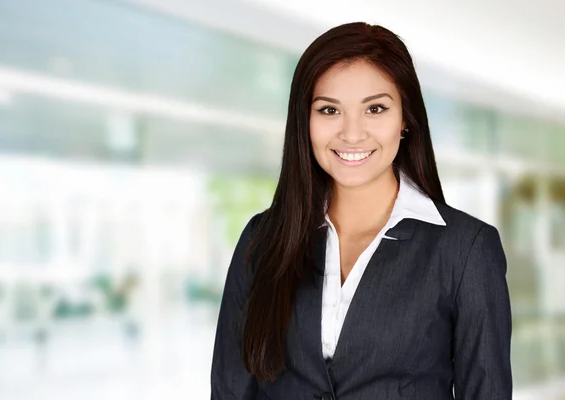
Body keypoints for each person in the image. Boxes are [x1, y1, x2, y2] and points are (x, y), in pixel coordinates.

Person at [211, 22, 512, 400]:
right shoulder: (262, 239)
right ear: (305, 122)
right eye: (329, 110)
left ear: (405, 120)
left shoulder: (465, 250)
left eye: (375, 108)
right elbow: (230, 390)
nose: (352, 134)